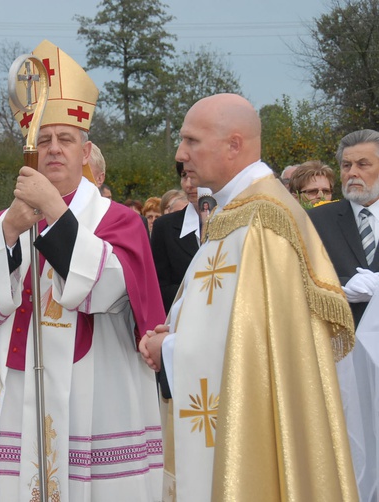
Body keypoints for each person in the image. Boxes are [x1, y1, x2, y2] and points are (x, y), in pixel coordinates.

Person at [0, 40, 165, 501]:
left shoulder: (119, 220)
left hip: (97, 389)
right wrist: (9, 231)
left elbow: (105, 291)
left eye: (65, 140)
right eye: (44, 139)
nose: (54, 149)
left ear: (86, 151)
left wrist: (55, 211)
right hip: (20, 384)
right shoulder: (4, 221)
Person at [139, 93, 357, 500]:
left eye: (191, 141)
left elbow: (253, 349)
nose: (180, 153)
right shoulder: (238, 211)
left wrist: (168, 348)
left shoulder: (263, 220)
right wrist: (175, 333)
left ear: (233, 145)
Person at [310, 130, 379, 327]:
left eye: (363, 164)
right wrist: (344, 285)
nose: (352, 173)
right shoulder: (317, 220)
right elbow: (300, 276)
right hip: (340, 342)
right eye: (346, 165)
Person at [151, 162, 211, 312]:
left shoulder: (234, 221)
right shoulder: (164, 227)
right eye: (184, 176)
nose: (189, 184)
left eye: (194, 176)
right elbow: (158, 287)